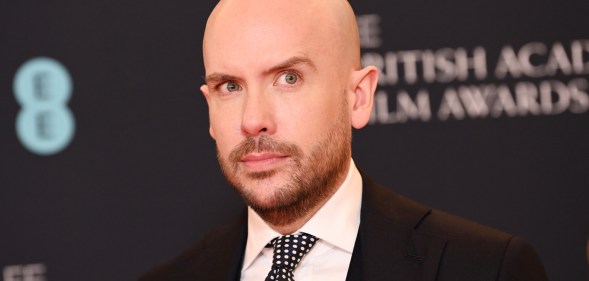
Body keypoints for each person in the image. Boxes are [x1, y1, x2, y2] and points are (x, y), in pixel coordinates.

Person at [139, 0, 549, 280]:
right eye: (230, 86)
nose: (253, 120)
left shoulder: (483, 269)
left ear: (358, 97)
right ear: (209, 107)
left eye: (289, 78)